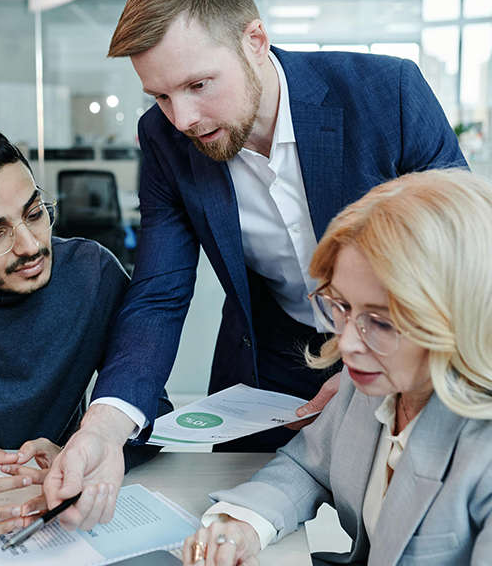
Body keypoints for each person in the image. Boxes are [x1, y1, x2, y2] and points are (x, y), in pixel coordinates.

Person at [42, 0, 467, 529]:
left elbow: (464, 257)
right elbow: (160, 293)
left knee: (399, 521)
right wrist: (104, 424)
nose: (184, 118)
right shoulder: (163, 136)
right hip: (270, 364)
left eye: (198, 85)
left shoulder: (386, 93)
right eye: (162, 95)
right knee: (240, 519)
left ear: (255, 42)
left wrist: (377, 359)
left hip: (396, 347)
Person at [181, 168, 492, 566]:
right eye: (342, 306)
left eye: (380, 321)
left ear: (462, 317)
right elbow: (307, 466)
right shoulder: (371, 385)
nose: (345, 344)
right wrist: (244, 525)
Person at [0, 130, 171, 540]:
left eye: (35, 213)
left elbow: (150, 411)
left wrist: (88, 447)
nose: (29, 245)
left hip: (48, 503)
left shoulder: (92, 273)